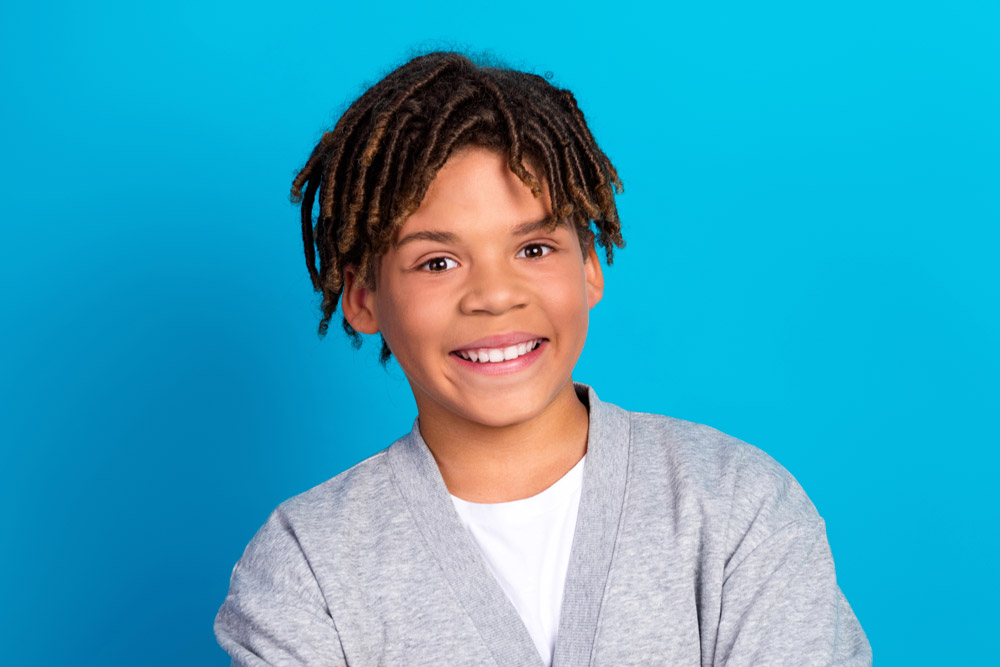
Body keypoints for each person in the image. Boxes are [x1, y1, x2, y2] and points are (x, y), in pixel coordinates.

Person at [214, 51, 872, 666]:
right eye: (437, 261)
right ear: (362, 298)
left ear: (591, 266)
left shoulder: (737, 508)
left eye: (534, 248)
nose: (495, 296)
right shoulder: (307, 568)